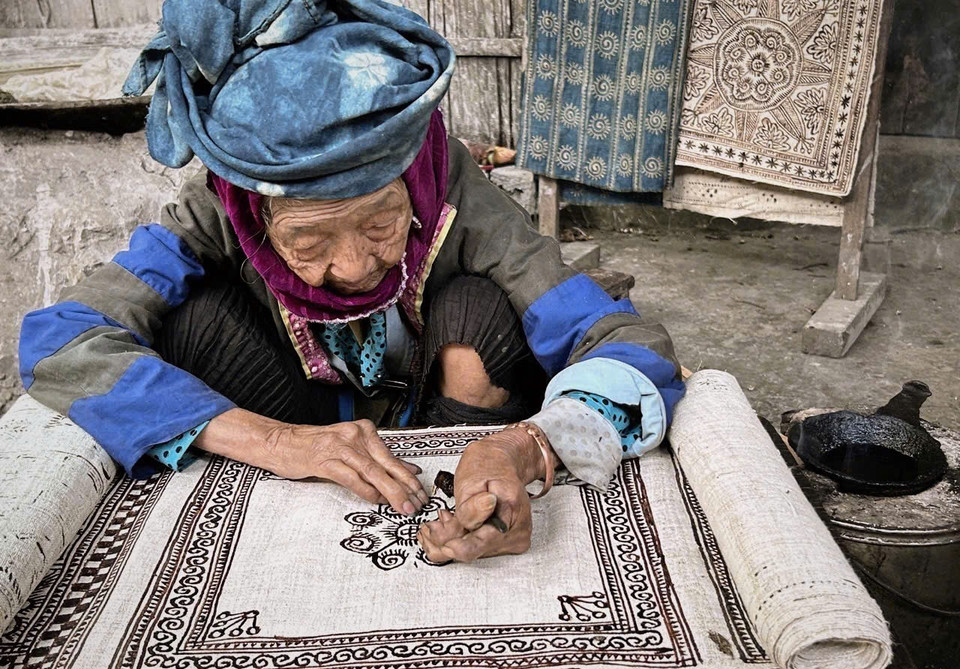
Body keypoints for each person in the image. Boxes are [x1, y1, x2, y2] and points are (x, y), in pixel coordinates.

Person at [18, 0, 685, 564]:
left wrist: (529, 445)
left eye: (379, 224)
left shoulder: (454, 189)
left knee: (478, 314)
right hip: (291, 415)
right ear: (256, 214)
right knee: (193, 321)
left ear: (412, 185)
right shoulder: (217, 209)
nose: (355, 268)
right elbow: (63, 343)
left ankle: (461, 492)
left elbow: (627, 343)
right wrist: (274, 441)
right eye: (308, 241)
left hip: (445, 418)